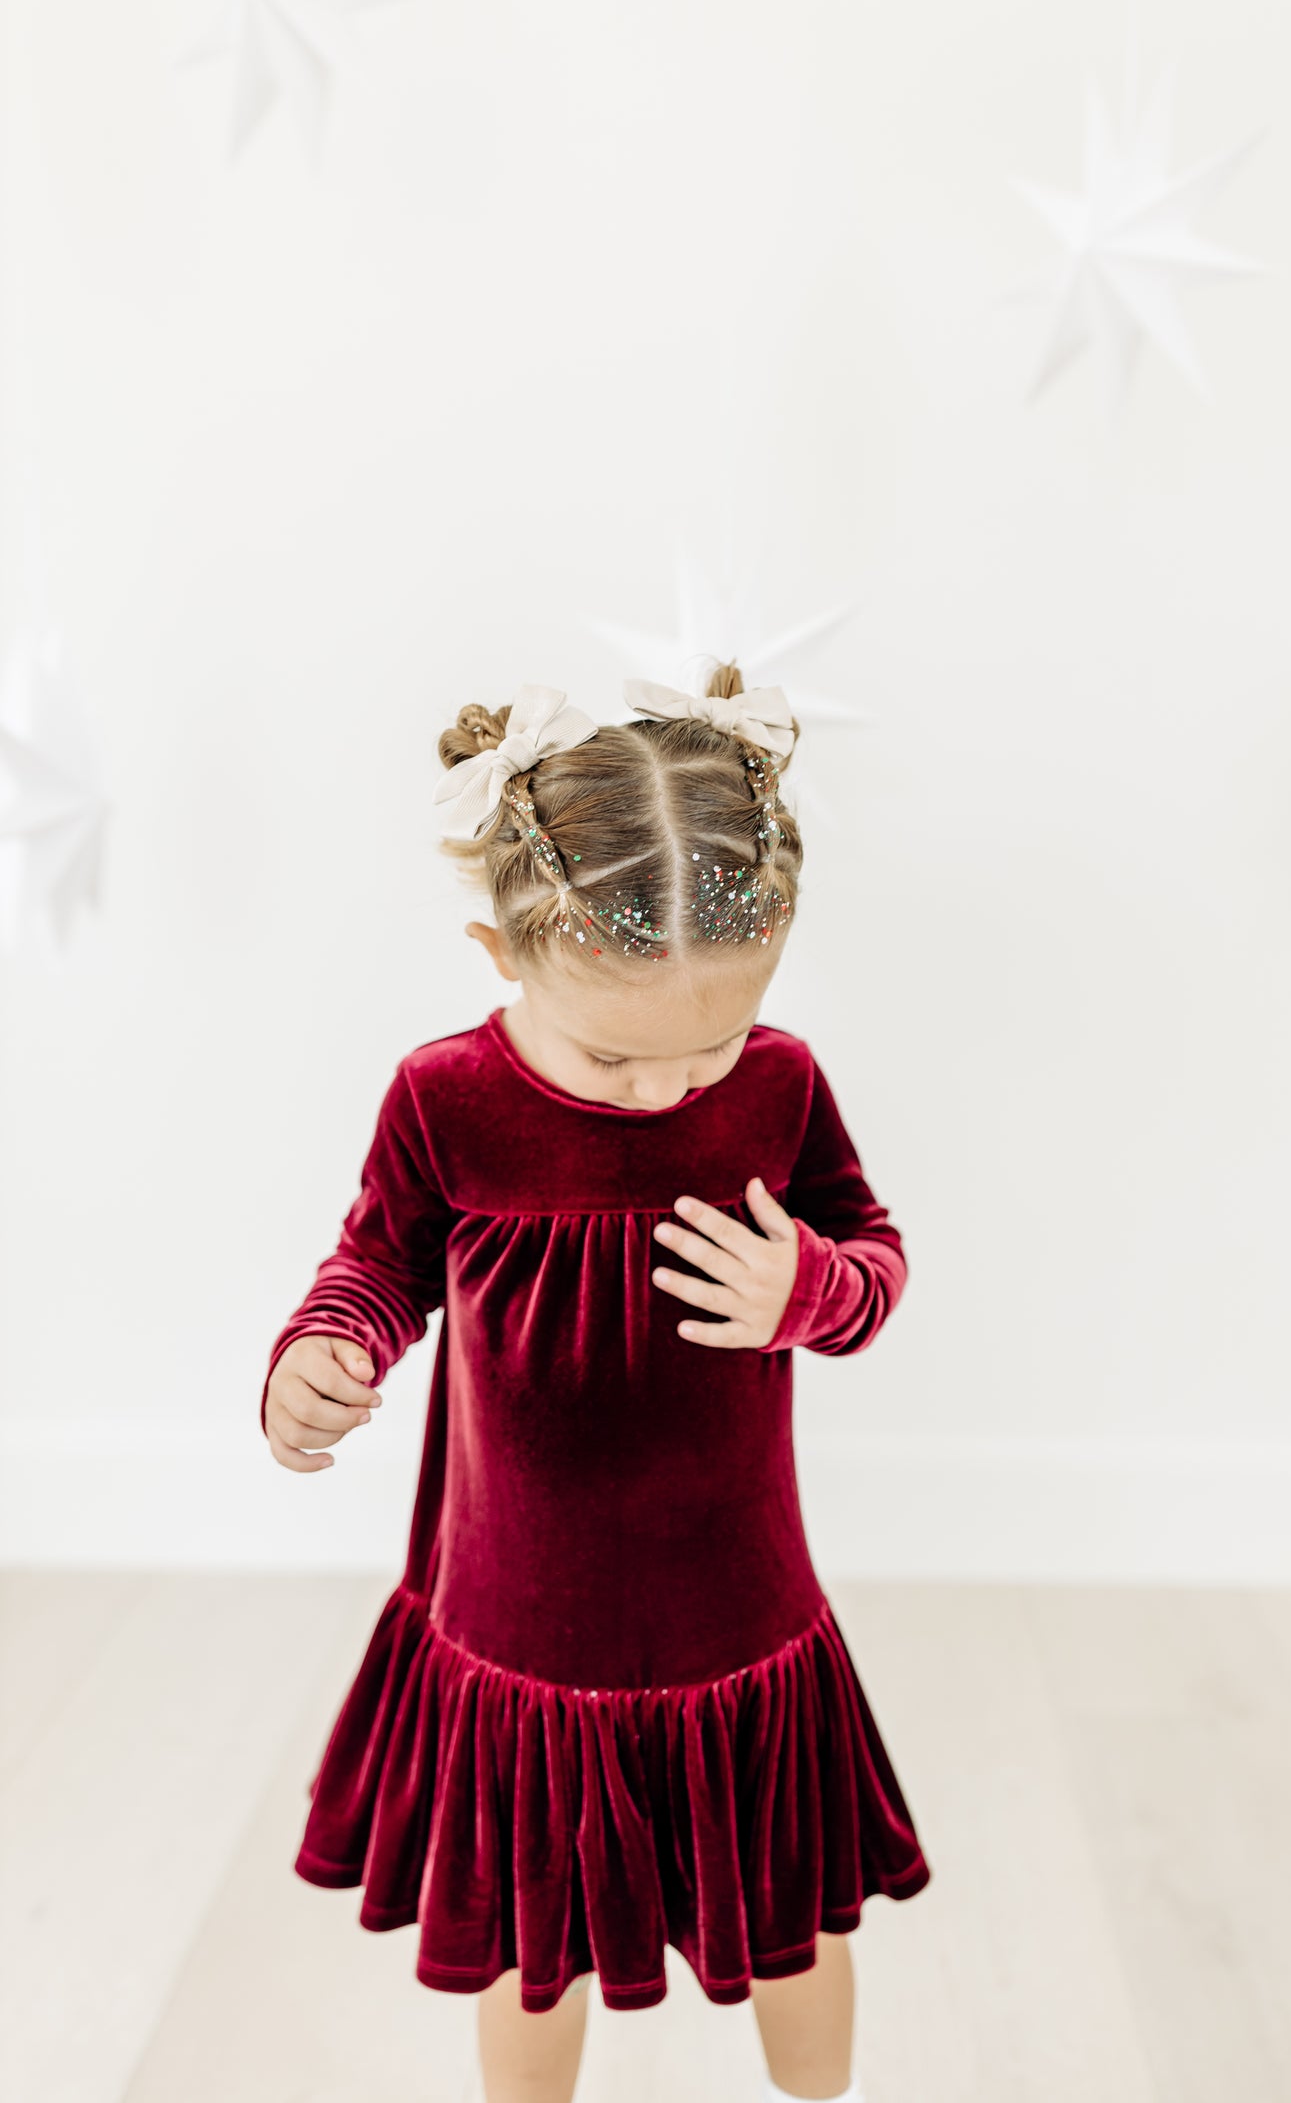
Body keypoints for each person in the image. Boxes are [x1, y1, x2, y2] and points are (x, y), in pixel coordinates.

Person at [260, 664, 931, 2103]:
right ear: (497, 953)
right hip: (522, 1606)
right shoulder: (446, 1099)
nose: (666, 1090)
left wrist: (802, 1287)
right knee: (529, 1937)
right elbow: (379, 1263)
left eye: (713, 1041)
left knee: (794, 1918)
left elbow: (868, 1258)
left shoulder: (777, 1085)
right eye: (620, 1051)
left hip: (735, 1601)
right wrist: (328, 1352)